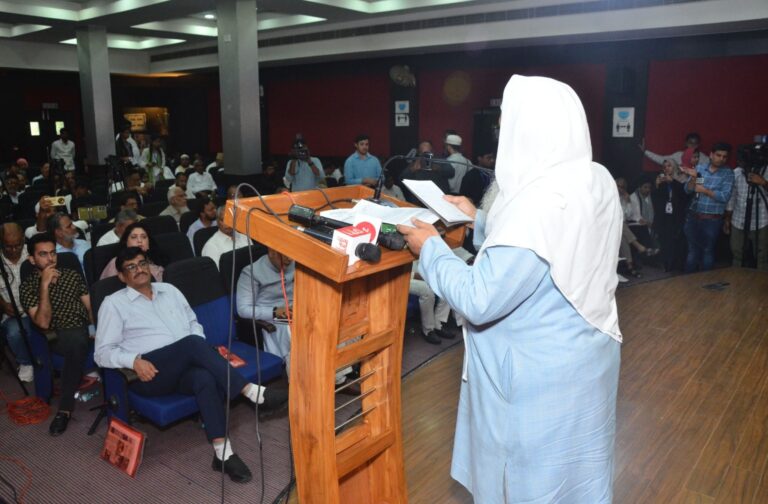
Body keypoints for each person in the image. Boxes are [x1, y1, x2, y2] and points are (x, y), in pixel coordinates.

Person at [397, 75, 622, 503]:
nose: (503, 134)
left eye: (508, 123)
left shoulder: (537, 204)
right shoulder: (594, 179)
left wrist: (430, 249)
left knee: (531, 486)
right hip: (586, 361)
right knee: (579, 479)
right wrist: (477, 220)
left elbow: (480, 298)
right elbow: (553, 246)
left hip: (538, 379)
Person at [95, 247, 287, 483]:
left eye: (142, 263)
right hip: (149, 373)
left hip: (184, 365)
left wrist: (200, 351)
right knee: (191, 344)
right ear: (122, 277)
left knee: (204, 378)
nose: (139, 270)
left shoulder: (170, 290)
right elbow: (102, 353)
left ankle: (223, 454)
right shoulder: (113, 304)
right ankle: (252, 392)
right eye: (131, 267)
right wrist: (133, 360)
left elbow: (194, 324)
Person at [20, 233, 94, 435]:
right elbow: (42, 322)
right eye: (43, 254)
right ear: (32, 259)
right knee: (77, 342)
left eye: (53, 253)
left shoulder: (71, 275)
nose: (50, 259)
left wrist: (96, 328)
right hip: (58, 334)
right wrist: (43, 285)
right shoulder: (27, 287)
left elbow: (90, 308)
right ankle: (65, 408)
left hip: (84, 328)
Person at [236, 248, 294, 369]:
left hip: (298, 308)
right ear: (272, 252)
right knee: (295, 330)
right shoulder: (252, 272)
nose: (290, 259)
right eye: (285, 256)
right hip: (271, 315)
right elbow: (243, 309)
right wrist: (279, 312)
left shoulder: (295, 264)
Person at [681, 142, 735, 272]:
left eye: (724, 157)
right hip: (694, 217)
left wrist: (704, 190)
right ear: (711, 155)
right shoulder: (700, 169)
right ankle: (685, 284)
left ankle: (705, 284)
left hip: (712, 220)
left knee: (707, 251)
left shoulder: (728, 173)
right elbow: (687, 190)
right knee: (692, 252)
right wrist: (693, 180)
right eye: (718, 155)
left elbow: (724, 197)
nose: (721, 159)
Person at [724, 147, 768, 270]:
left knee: (762, 256)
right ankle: (737, 281)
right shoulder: (736, 173)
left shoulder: (766, 171)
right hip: (739, 220)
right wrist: (727, 220)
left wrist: (763, 182)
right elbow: (731, 199)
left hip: (762, 221)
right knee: (737, 253)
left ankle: (761, 286)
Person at [0, 223, 33, 382]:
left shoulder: (32, 253)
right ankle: (25, 362)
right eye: (8, 246)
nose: (13, 250)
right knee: (14, 332)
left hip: (37, 307)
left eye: (17, 245)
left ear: (23, 240)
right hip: (13, 313)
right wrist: (2, 304)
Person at [651, 159, 689, 271]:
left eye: (669, 166)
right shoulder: (661, 181)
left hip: (677, 216)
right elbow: (656, 201)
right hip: (664, 217)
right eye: (664, 166)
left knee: (676, 241)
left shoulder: (682, 179)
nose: (667, 168)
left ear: (675, 167)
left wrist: (672, 182)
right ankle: (666, 264)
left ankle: (676, 265)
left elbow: (684, 195)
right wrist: (657, 186)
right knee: (664, 240)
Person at [100, 222, 166, 281]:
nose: (139, 240)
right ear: (126, 242)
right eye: (134, 237)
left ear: (149, 243)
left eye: (144, 237)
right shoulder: (115, 263)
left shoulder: (158, 262)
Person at [409, 260, 452, 345]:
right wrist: (416, 275)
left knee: (445, 282)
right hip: (402, 276)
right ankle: (428, 330)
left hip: (419, 269)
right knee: (427, 290)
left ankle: (437, 323)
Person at [640, 132, 709, 167]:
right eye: (690, 143)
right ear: (686, 143)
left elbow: (715, 163)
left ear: (698, 145)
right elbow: (662, 160)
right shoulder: (678, 155)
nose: (692, 146)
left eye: (695, 144)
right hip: (679, 188)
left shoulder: (702, 157)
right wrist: (645, 152)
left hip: (696, 189)